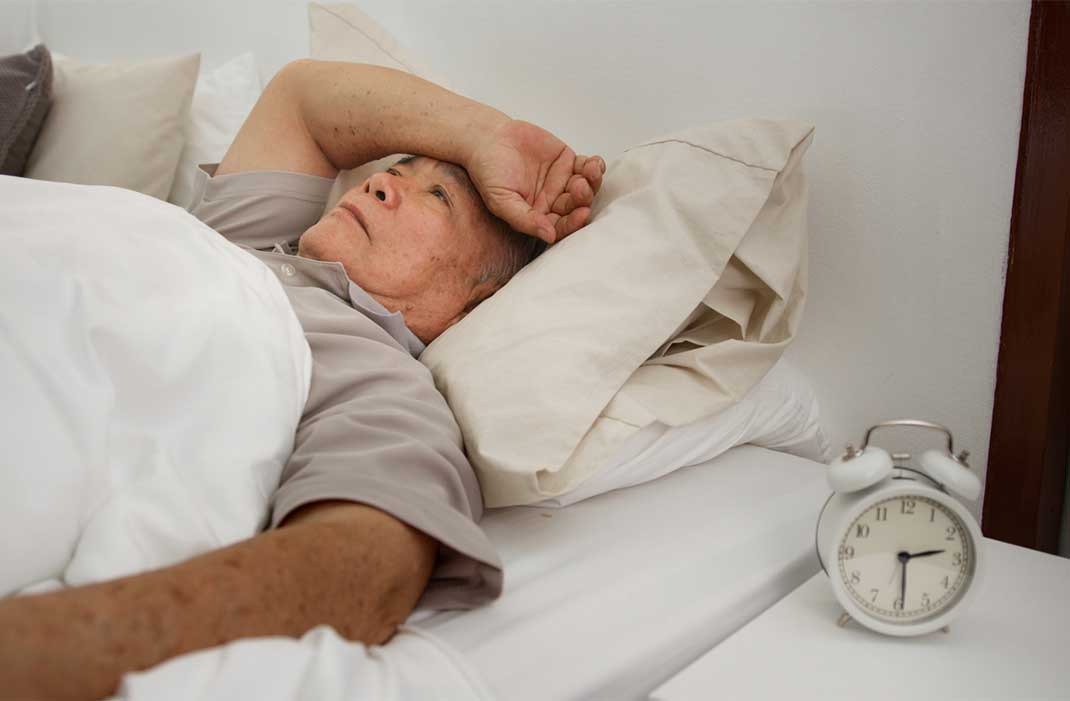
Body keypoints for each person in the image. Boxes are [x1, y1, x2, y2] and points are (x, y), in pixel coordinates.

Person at [0, 59, 604, 700]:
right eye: (391, 173)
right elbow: (302, 98)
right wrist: (483, 135)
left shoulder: (379, 380)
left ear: (472, 305)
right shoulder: (248, 243)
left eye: (436, 197)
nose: (377, 187)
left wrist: (39, 647)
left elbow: (368, 563)